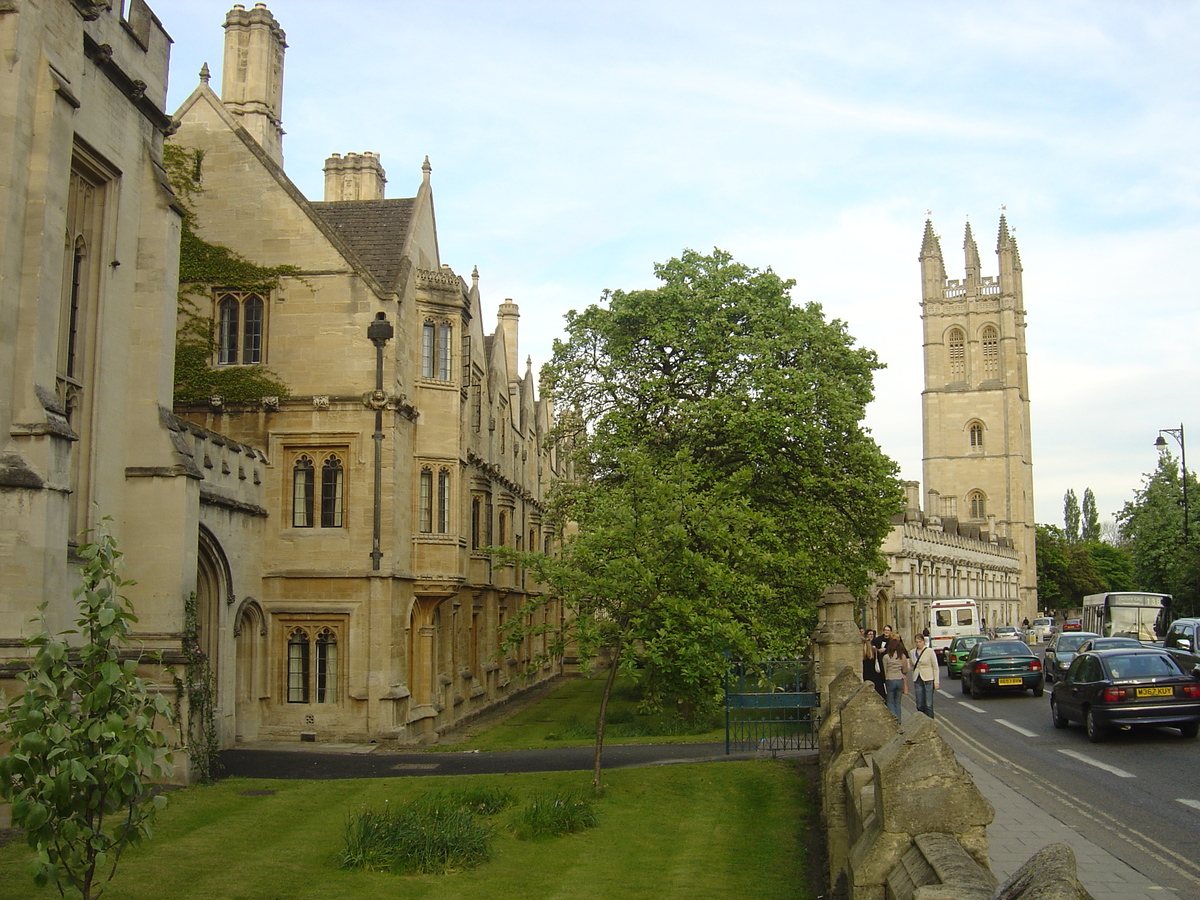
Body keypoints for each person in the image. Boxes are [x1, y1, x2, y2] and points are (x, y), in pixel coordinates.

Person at [909, 632, 939, 718]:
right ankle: (922, 721)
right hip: (917, 678)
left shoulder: (930, 651)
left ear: (923, 642)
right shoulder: (912, 652)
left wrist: (936, 682)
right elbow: (912, 665)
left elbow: (935, 667)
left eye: (920, 641)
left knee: (928, 704)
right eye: (917, 642)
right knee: (919, 704)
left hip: (928, 678)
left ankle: (930, 723)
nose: (918, 643)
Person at [881, 636, 910, 720]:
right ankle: (899, 720)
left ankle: (894, 720)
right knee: (897, 702)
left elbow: (884, 670)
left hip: (890, 679)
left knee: (890, 701)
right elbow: (905, 669)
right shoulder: (902, 656)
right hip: (899, 679)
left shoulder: (886, 657)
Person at [862, 629, 885, 698]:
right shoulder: (875, 652)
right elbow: (881, 666)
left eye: (872, 634)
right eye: (870, 634)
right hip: (876, 677)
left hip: (866, 677)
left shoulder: (861, 653)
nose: (871, 636)